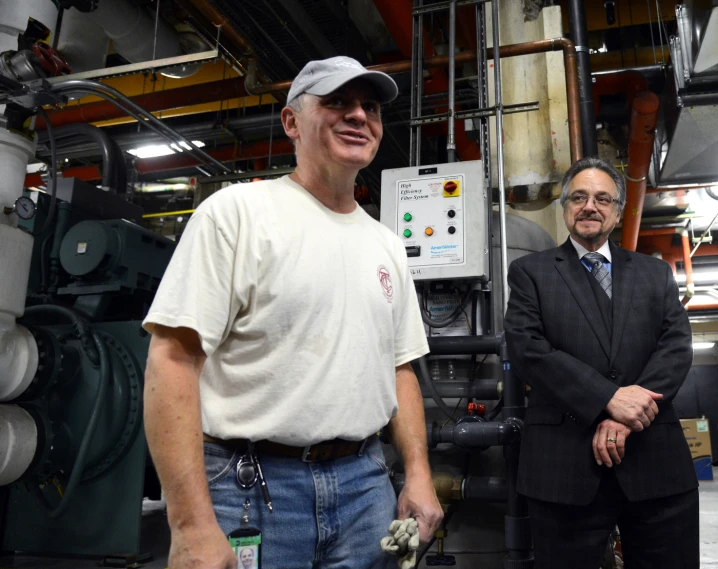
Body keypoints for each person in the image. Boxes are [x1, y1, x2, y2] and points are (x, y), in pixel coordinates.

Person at [142, 55, 443, 569]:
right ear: (290, 123)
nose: (358, 116)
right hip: (250, 488)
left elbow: (401, 369)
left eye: (369, 106)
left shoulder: (387, 244)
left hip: (365, 486)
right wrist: (190, 524)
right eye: (337, 102)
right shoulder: (237, 213)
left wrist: (417, 472)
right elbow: (172, 360)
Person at [504, 156, 698, 569]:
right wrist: (608, 399)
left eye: (602, 198)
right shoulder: (529, 272)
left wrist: (625, 416)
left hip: (653, 461)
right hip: (563, 467)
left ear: (616, 209)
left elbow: (676, 345)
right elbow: (527, 349)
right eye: (579, 196)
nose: (590, 206)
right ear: (565, 207)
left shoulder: (654, 273)